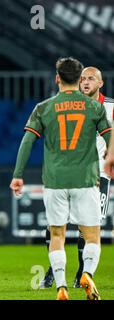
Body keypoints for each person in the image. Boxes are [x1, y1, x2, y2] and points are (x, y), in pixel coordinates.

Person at [10, 57, 111, 300]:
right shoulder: (95, 108)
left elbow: (26, 142)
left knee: (56, 234)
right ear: (79, 80)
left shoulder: (43, 107)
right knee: (93, 235)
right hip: (88, 178)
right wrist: (109, 161)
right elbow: (110, 137)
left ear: (57, 78)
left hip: (54, 180)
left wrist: (17, 176)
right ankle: (87, 273)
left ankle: (61, 286)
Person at [40, 66, 114, 289]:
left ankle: (82, 272)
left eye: (91, 79)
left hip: (99, 174)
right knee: (54, 225)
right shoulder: (69, 105)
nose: (85, 82)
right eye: (82, 79)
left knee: (87, 226)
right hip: (68, 172)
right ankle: (54, 269)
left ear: (100, 83)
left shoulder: (110, 106)